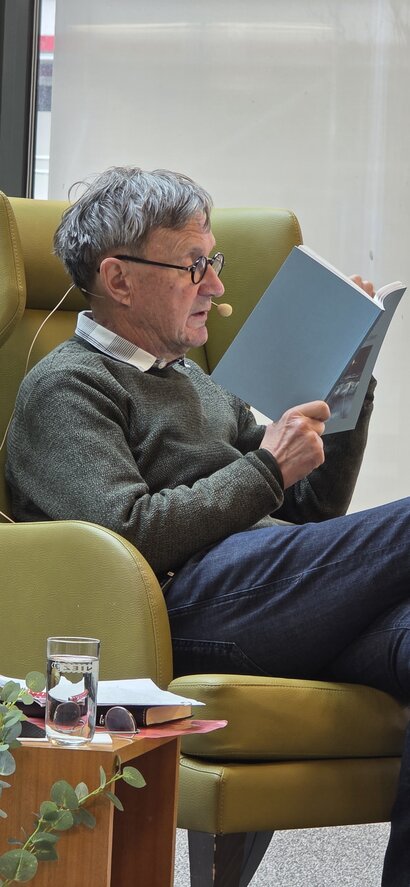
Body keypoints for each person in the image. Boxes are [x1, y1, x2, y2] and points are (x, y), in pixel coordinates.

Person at [5, 166, 410, 886]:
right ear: (119, 279)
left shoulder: (194, 380)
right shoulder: (67, 386)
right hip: (178, 609)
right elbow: (125, 530)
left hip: (264, 592)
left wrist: (348, 384)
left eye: (213, 261)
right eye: (194, 265)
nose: (217, 286)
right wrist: (266, 468)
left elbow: (308, 515)